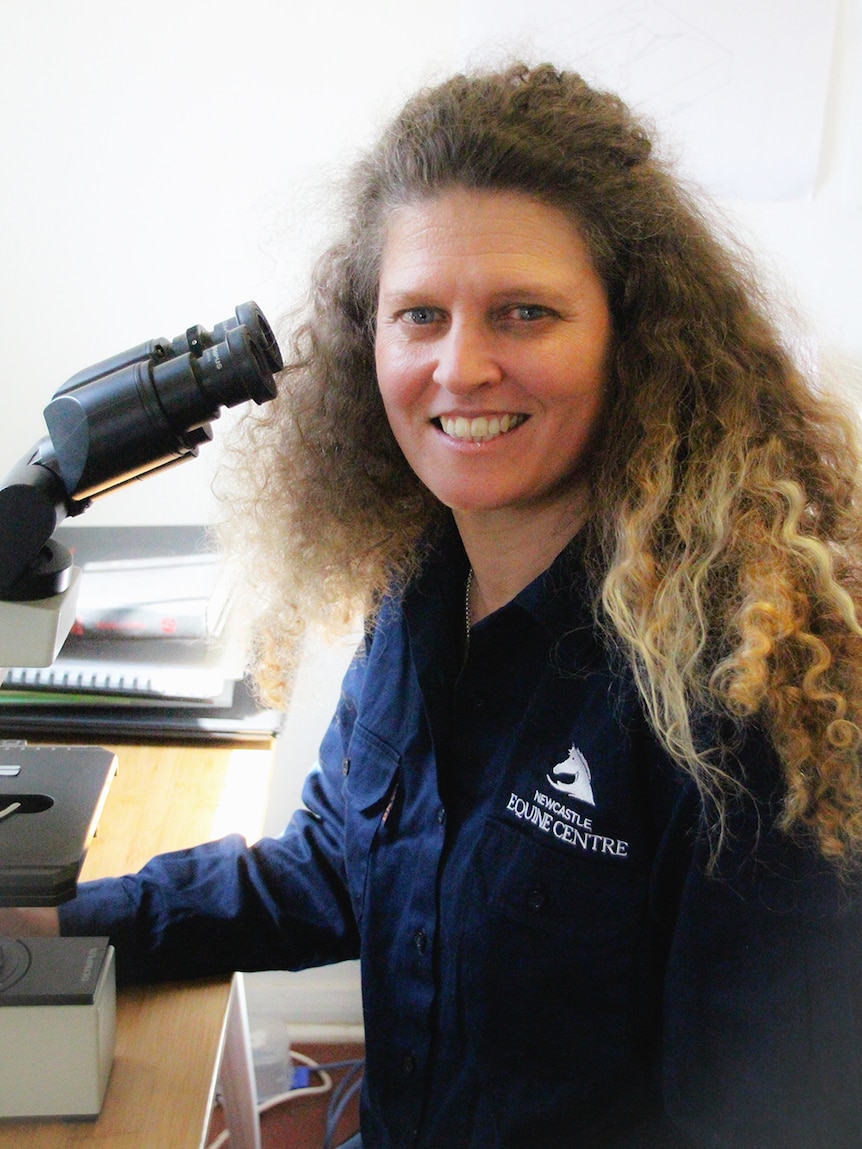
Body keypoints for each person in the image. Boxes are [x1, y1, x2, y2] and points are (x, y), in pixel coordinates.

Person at [4, 62, 862, 1148]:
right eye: (420, 315)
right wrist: (57, 921)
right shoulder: (422, 584)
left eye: (524, 313)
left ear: (630, 342)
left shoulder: (739, 703)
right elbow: (331, 870)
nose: (461, 367)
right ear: (373, 343)